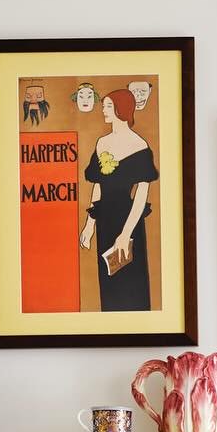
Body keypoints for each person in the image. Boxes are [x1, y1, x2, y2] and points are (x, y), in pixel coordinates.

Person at [79, 87, 158, 312]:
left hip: (129, 221)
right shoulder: (101, 143)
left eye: (108, 106)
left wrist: (125, 234)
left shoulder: (139, 146)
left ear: (122, 109)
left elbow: (141, 195)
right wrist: (89, 226)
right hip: (105, 221)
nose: (103, 110)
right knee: (109, 284)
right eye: (104, 106)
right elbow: (97, 186)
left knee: (131, 284)